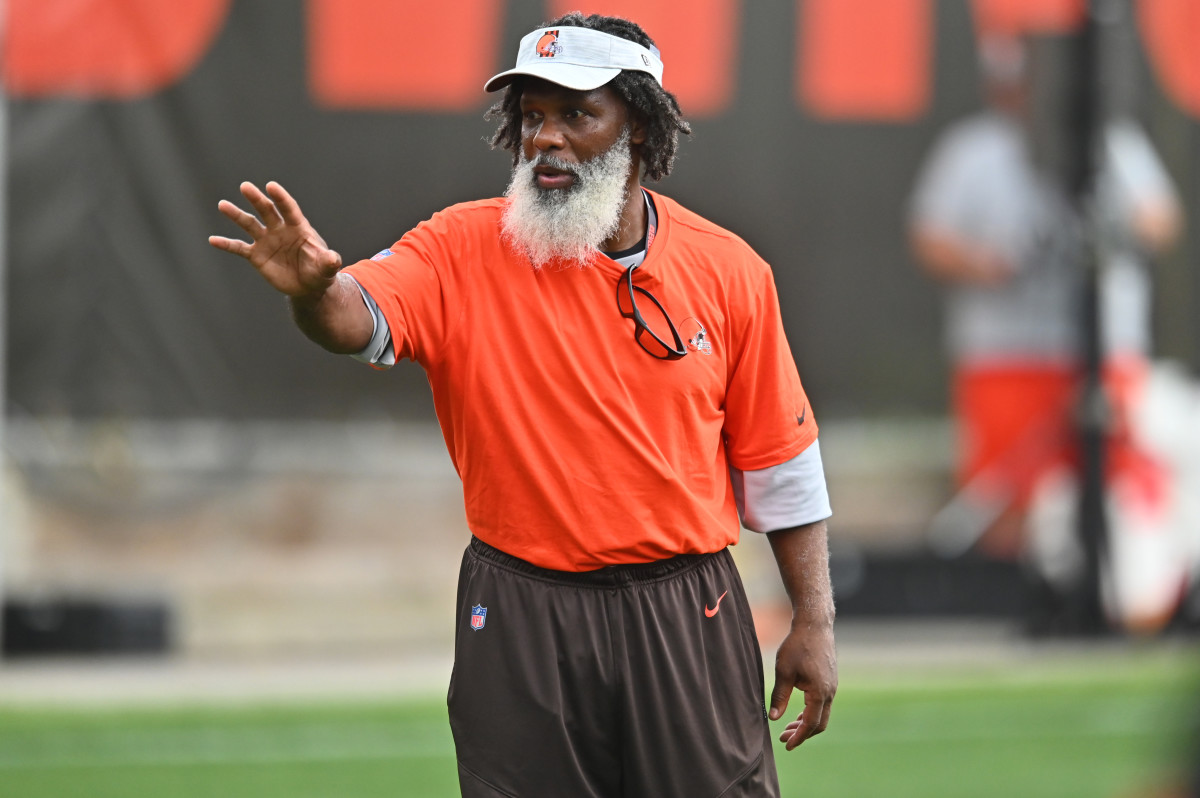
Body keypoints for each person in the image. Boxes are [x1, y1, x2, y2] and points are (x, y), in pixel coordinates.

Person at [209, 13, 836, 797]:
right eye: (533, 115)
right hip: (521, 612)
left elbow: (781, 459)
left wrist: (813, 619)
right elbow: (354, 316)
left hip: (688, 612)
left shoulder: (732, 270)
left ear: (637, 127)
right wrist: (312, 291)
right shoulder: (458, 247)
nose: (547, 137)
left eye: (577, 114)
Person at [909, 35, 1184, 627]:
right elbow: (931, 237)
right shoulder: (972, 151)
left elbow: (1162, 218)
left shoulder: (1108, 144)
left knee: (1119, 476)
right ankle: (1012, 604)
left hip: (1105, 351)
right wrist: (986, 263)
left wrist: (1116, 234)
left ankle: (1126, 595)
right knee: (1006, 490)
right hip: (1007, 353)